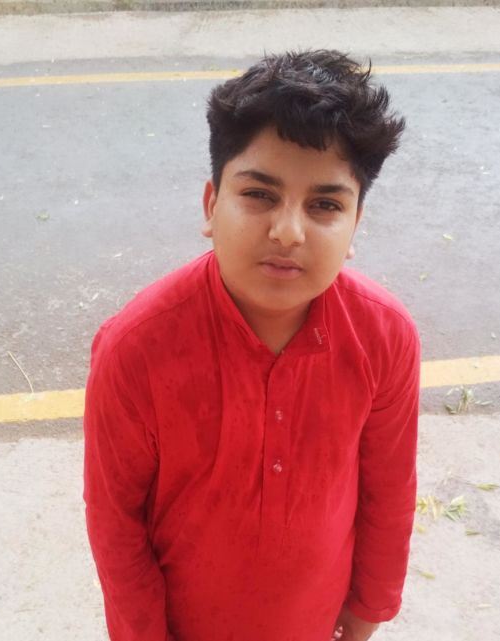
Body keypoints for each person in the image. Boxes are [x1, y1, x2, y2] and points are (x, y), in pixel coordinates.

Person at [83, 49, 420, 641]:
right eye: (260, 194)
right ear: (211, 206)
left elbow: (389, 490)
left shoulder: (385, 337)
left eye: (325, 205)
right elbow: (116, 525)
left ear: (355, 226)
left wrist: (369, 608)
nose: (288, 231)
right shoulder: (134, 349)